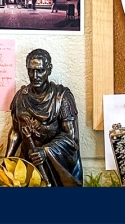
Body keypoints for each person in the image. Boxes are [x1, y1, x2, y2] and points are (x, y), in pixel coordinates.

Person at [6, 49, 82, 186]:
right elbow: (16, 131)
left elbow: (71, 138)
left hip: (55, 168)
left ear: (49, 70)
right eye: (31, 70)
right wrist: (6, 161)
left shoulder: (62, 98)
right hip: (28, 166)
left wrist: (45, 151)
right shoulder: (20, 98)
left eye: (40, 70)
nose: (35, 76)